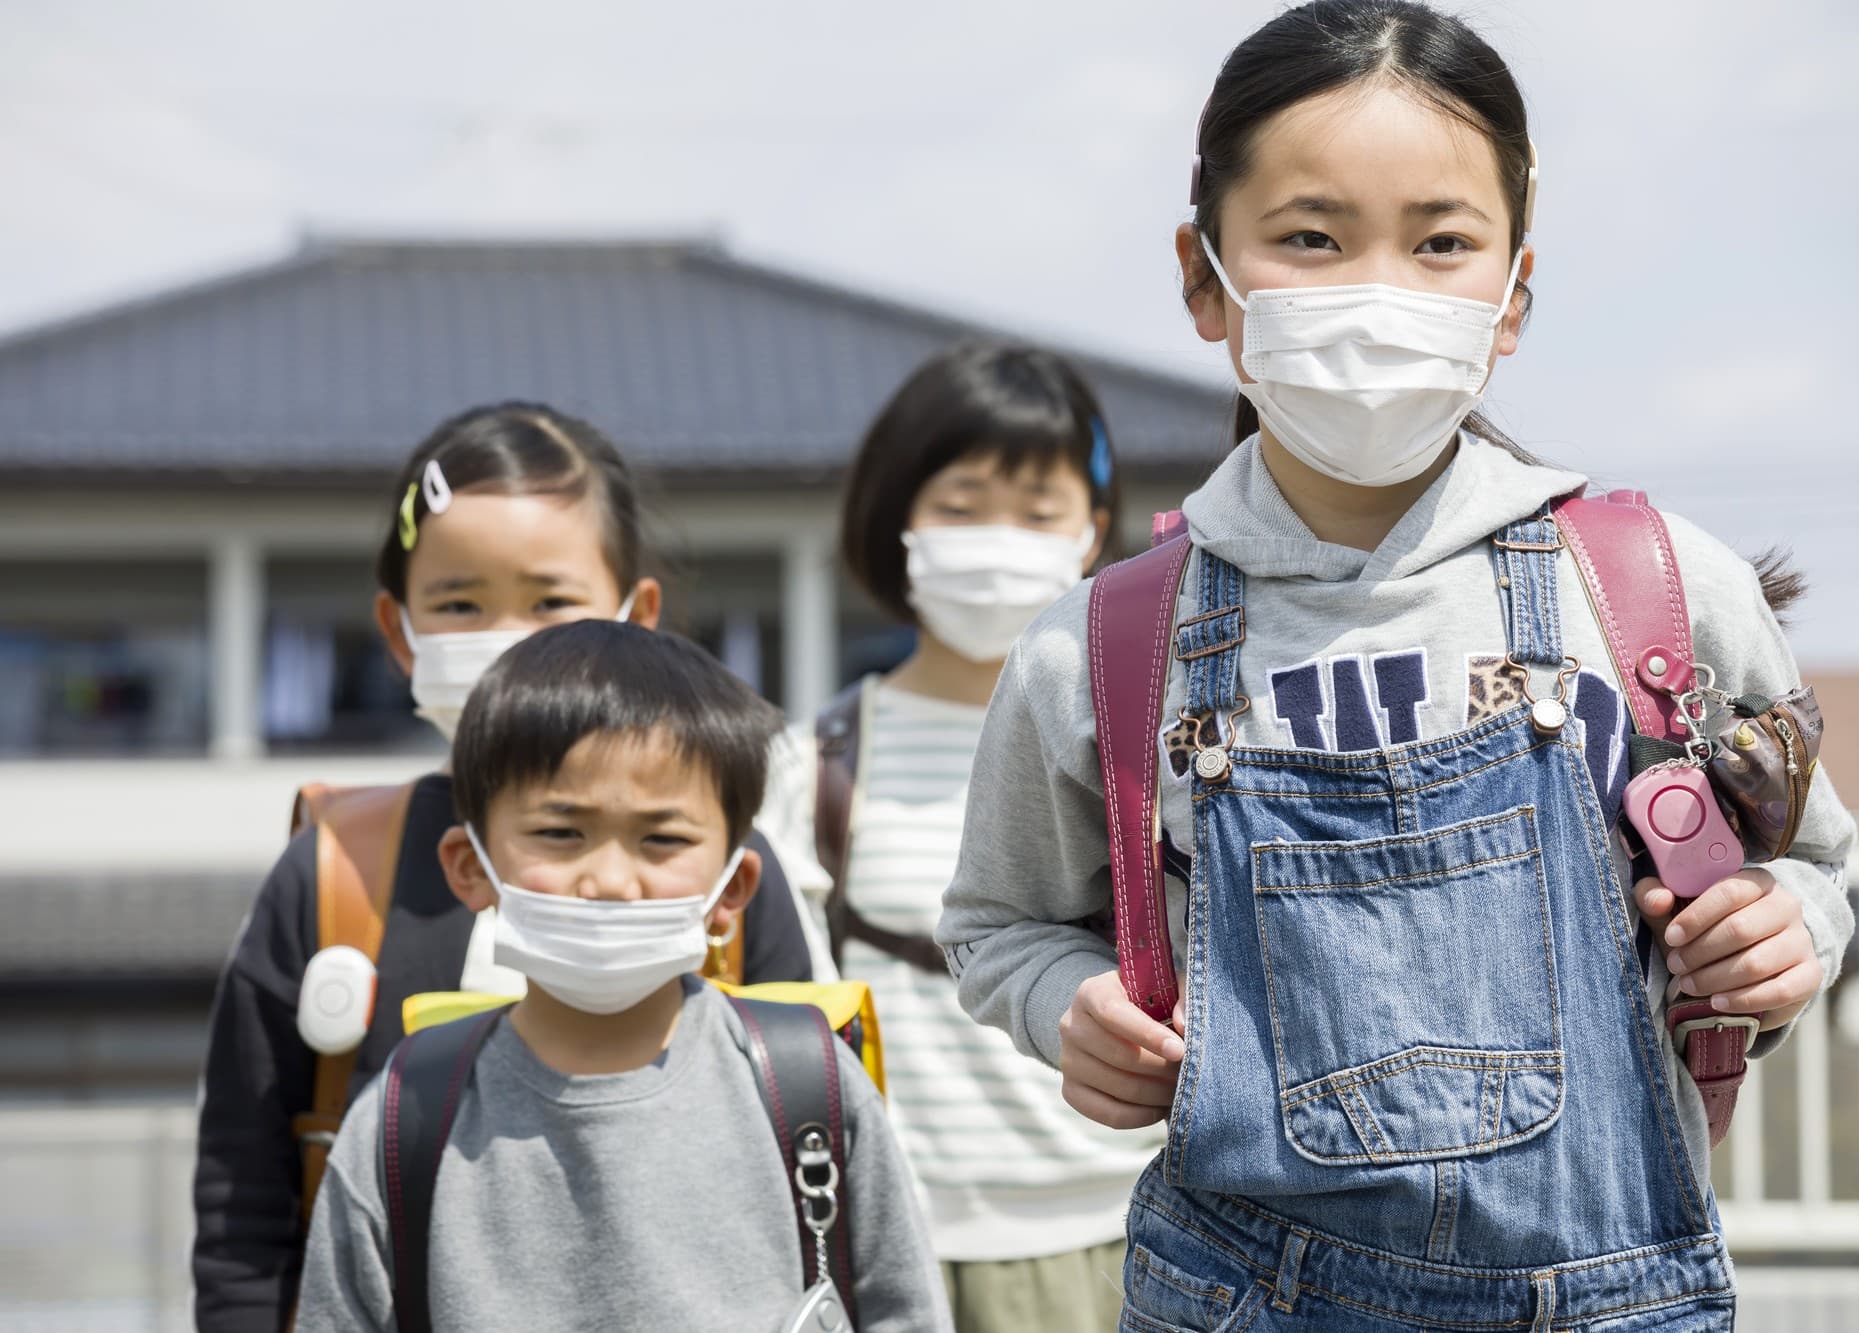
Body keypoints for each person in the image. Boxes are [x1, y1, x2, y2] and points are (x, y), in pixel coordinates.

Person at [936, 4, 1859, 1329]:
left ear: (1514, 296)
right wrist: (1061, 1003)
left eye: (1441, 244)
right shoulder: (1102, 649)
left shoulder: (1657, 587)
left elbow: (1815, 867)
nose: (1379, 290)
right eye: (1311, 238)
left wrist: (1787, 934)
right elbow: (998, 921)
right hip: (1241, 1296)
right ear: (1206, 280)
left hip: (1615, 1294)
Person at [192, 402, 815, 1331]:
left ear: (635, 615)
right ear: (399, 632)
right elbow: (245, 1205)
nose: (508, 636)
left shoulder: (722, 865)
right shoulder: (331, 872)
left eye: (551, 600)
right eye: (458, 603)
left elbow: (815, 1150)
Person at [292, 620, 946, 1331]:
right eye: (560, 832)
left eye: (661, 839)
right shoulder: (402, 1115)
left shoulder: (809, 1084)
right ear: (470, 867)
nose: (609, 880)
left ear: (733, 888)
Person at [759, 342, 1158, 1332]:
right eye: (961, 501)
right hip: (895, 1243)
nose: (996, 538)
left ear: (1089, 532)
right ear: (897, 516)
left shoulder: (1150, 745)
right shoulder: (809, 765)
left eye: (1034, 509)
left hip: (1127, 1228)